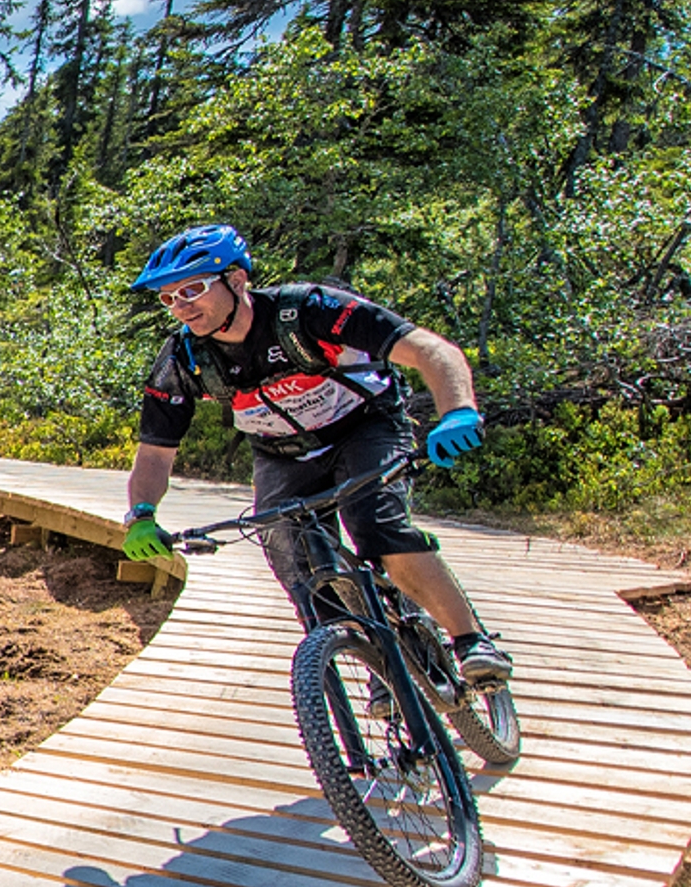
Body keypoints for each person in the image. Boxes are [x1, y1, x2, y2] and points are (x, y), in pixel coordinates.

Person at [114, 224, 511, 686]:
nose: (182, 307)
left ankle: (470, 641)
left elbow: (429, 350)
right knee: (293, 561)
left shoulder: (307, 311)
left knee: (375, 525)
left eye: (193, 289)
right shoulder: (184, 359)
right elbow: (155, 454)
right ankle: (378, 669)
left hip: (364, 427)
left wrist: (457, 412)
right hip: (282, 454)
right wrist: (141, 513)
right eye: (169, 298)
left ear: (237, 280)